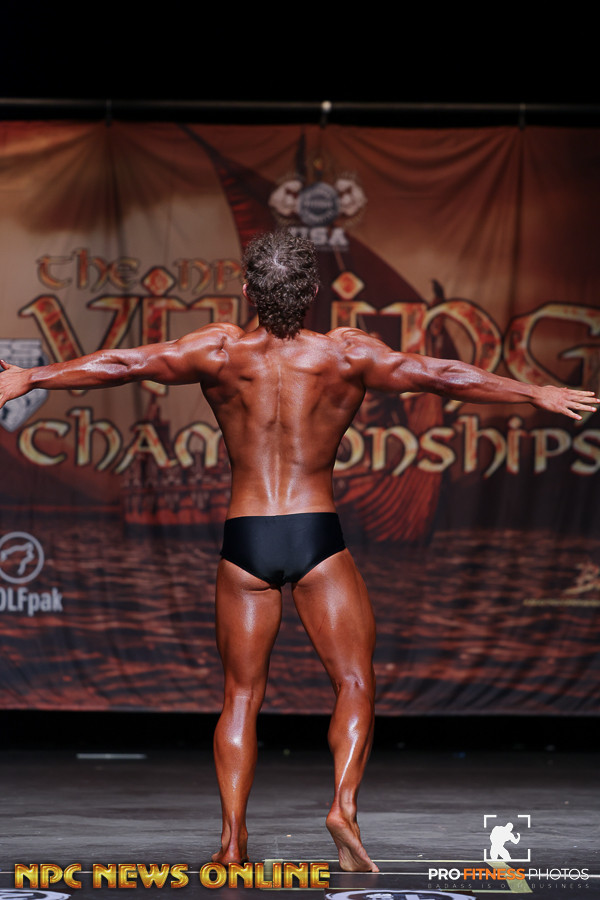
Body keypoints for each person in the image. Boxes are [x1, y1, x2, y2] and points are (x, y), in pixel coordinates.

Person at [0, 231, 597, 872]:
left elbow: (123, 365)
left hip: (246, 539)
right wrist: (533, 392)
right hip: (316, 536)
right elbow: (443, 376)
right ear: (313, 291)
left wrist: (31, 376)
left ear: (248, 289)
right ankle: (343, 805)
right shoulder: (344, 354)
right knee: (354, 681)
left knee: (240, 696)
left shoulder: (218, 349)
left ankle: (232, 841)